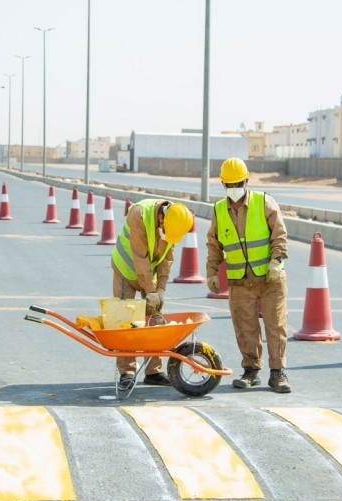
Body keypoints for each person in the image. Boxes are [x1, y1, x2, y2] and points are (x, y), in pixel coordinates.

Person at [206, 157, 291, 393]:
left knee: (276, 326)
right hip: (239, 281)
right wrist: (212, 273)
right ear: (223, 185)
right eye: (229, 185)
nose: (234, 189)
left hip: (270, 279)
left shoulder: (264, 202)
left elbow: (280, 235)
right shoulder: (219, 210)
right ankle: (251, 371)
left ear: (246, 180)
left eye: (237, 184)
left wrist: (276, 261)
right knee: (245, 328)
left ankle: (278, 373)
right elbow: (214, 245)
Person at [111, 199, 194, 387]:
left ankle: (153, 371)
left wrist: (161, 290)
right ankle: (127, 372)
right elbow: (140, 259)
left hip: (149, 273)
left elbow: (167, 259)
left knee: (156, 320)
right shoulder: (139, 214)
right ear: (162, 217)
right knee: (126, 321)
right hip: (126, 270)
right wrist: (151, 292)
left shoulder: (174, 220)